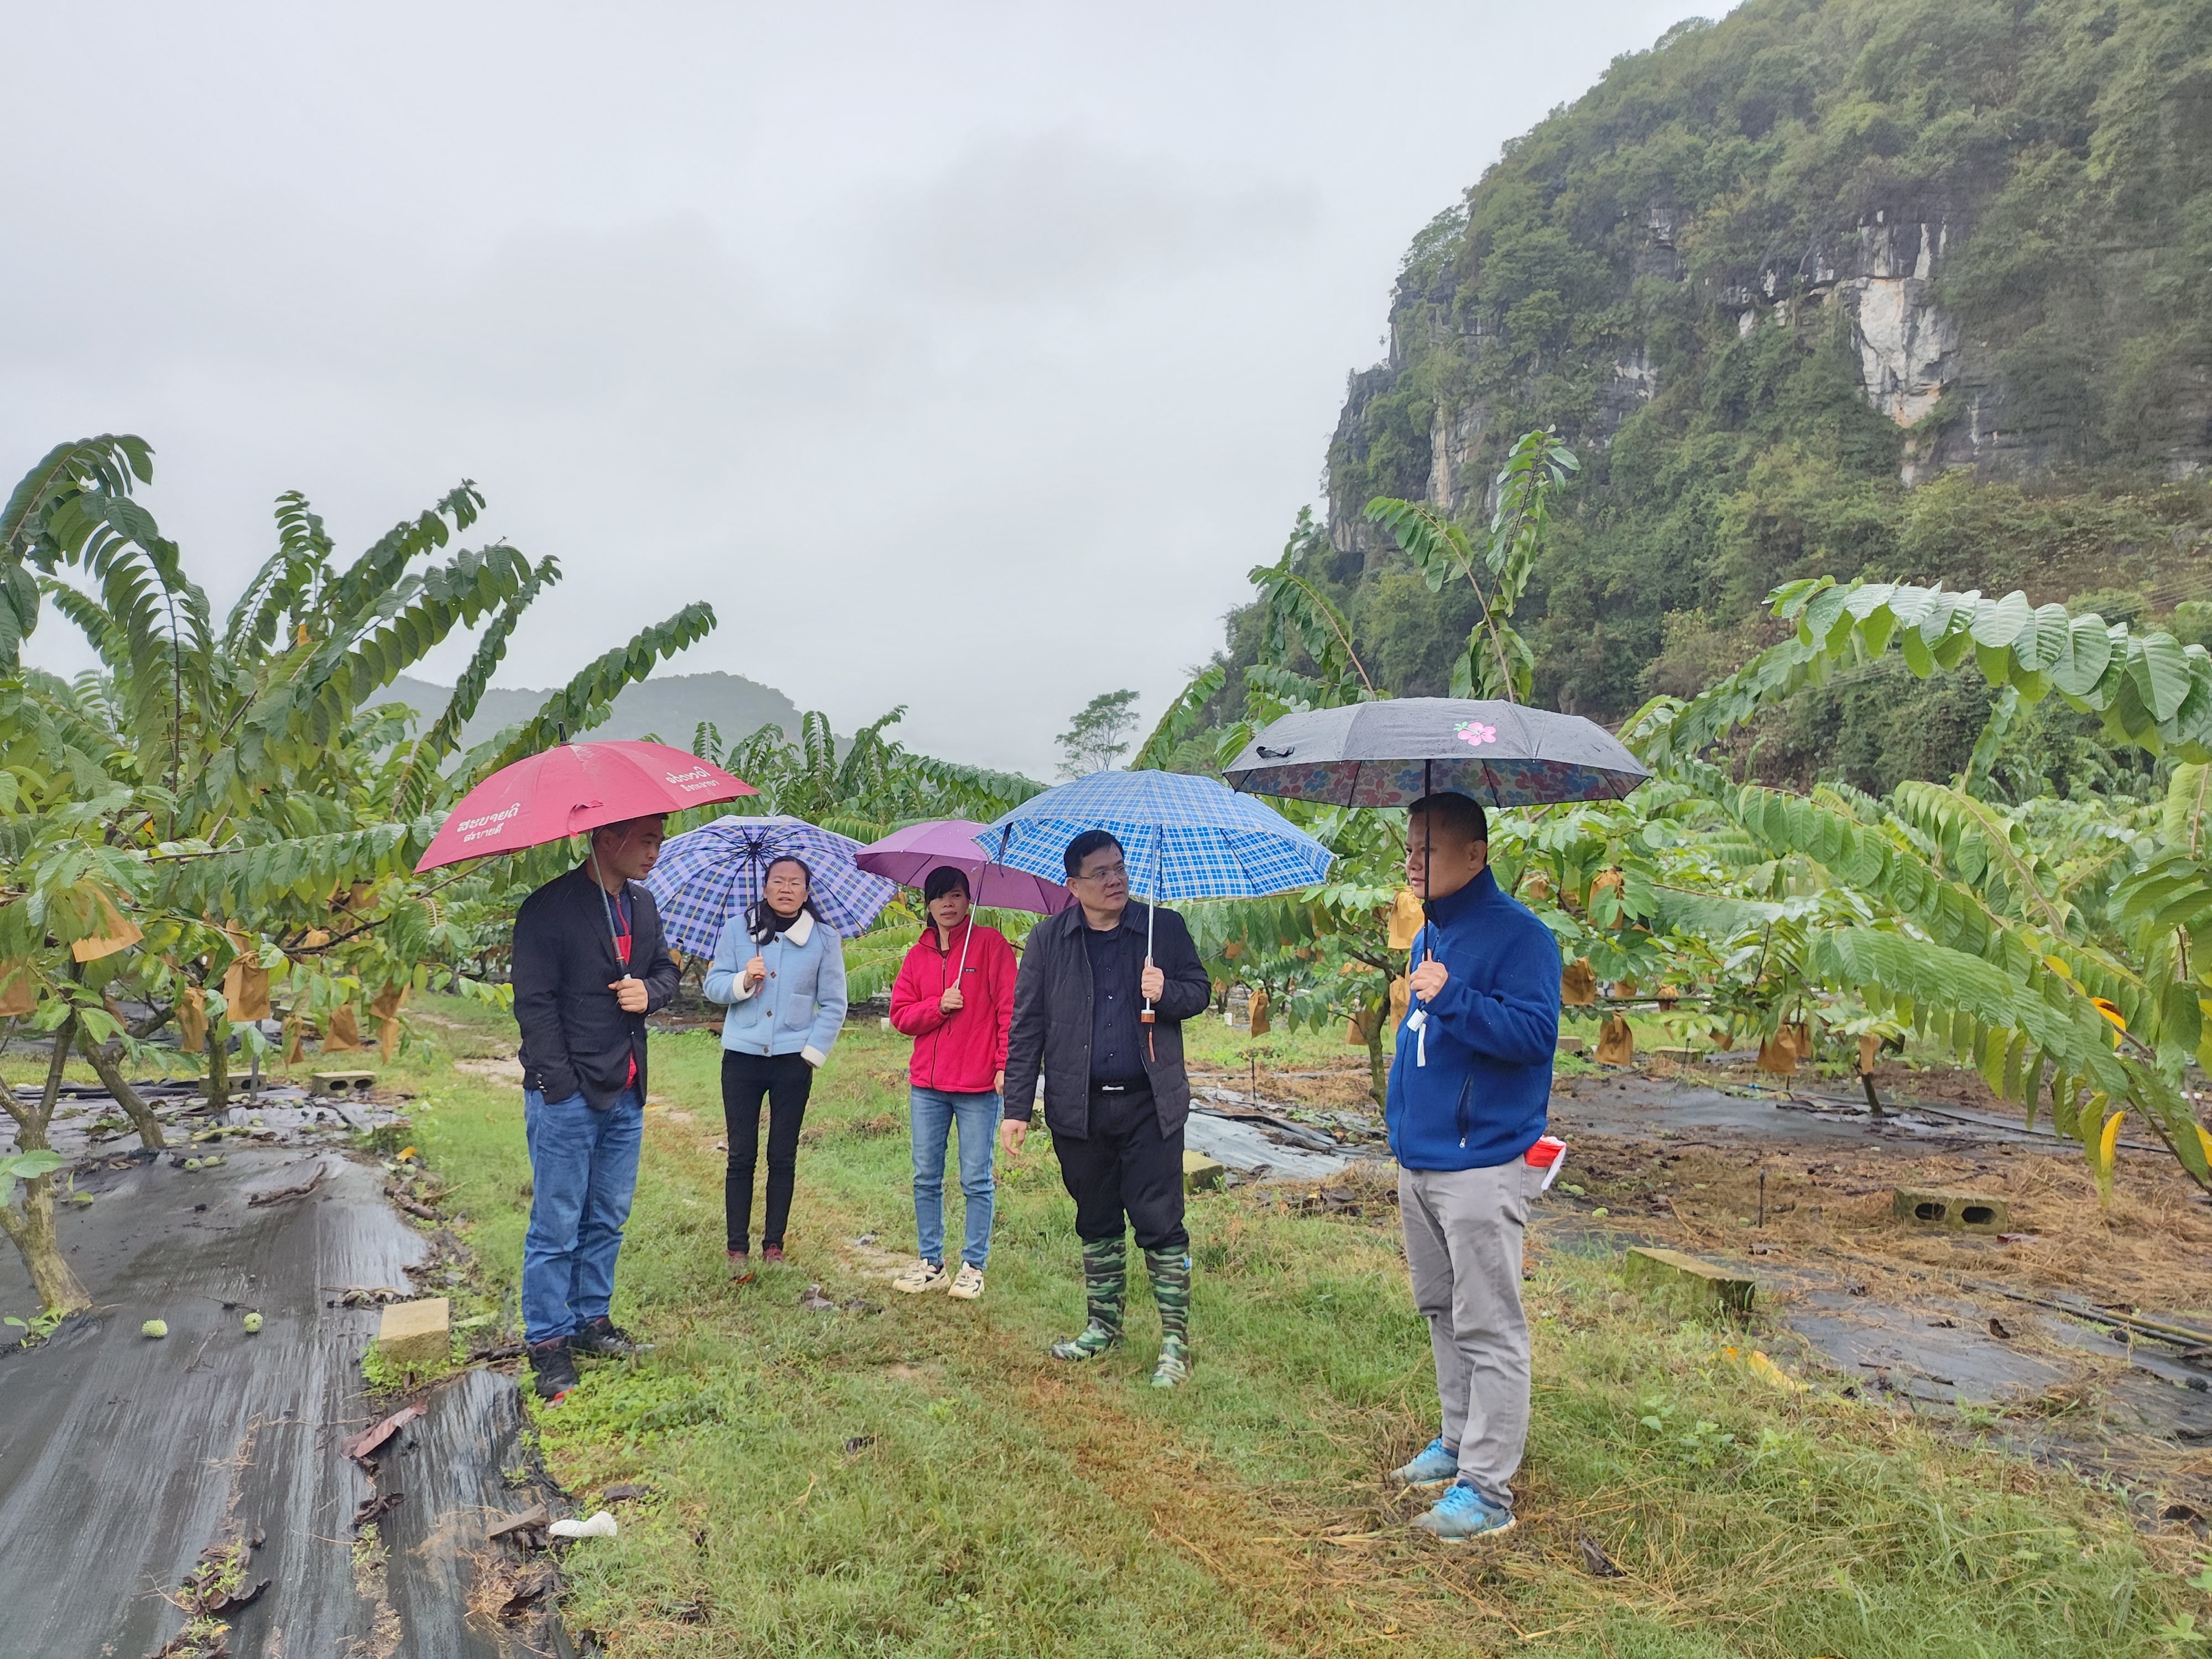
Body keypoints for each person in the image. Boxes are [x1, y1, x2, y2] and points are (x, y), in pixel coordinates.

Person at [1383, 792, 1560, 1541]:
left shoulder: (1520, 938)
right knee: (1442, 1309)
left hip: (1481, 1160)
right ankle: (1457, 1441)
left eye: (1428, 846)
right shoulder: (1432, 931)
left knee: (1489, 1325)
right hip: (1422, 1159)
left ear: (1476, 854)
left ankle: (1487, 1492)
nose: (1413, 861)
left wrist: (1455, 997)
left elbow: (1534, 1034)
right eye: (1410, 845)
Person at [1000, 829, 1211, 1387]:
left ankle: (1173, 1343)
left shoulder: (1160, 929)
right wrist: (1016, 1108)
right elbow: (1027, 1028)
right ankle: (1103, 1325)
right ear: (1073, 886)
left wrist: (1165, 990)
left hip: (1150, 1104)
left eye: (1119, 868)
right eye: (1100, 873)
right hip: (1079, 1107)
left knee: (1159, 1219)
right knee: (1094, 1219)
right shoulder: (1048, 940)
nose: (1114, 879)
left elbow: (1199, 992)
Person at [511, 813, 679, 1403]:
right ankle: (548, 1342)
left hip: (626, 1088)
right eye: (649, 840)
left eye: (659, 840)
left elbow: (666, 972)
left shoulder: (644, 906)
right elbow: (534, 1005)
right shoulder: (548, 909)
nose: (656, 852)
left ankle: (590, 1320)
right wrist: (559, 1086)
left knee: (606, 1216)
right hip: (568, 1093)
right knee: (556, 1223)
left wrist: (649, 993)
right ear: (609, 839)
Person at [705, 855, 848, 1279]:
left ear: (807, 892)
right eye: (778, 881)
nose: (786, 889)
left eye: (796, 883)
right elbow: (714, 987)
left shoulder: (824, 938)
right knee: (741, 1155)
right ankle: (736, 1247)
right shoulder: (738, 930)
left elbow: (835, 1004)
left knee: (782, 1155)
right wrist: (743, 981)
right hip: (742, 1059)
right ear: (764, 888)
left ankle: (774, 1244)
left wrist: (812, 1052)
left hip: (792, 1060)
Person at [886, 867, 1016, 1300]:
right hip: (928, 1085)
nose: (948, 904)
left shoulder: (991, 946)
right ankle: (931, 1262)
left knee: (976, 1178)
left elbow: (1008, 1012)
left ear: (967, 900)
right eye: (940, 897)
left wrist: (1004, 1067)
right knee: (926, 1175)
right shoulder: (917, 956)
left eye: (957, 895)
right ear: (928, 904)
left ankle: (973, 1265)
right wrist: (938, 1006)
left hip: (978, 1085)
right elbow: (902, 1016)